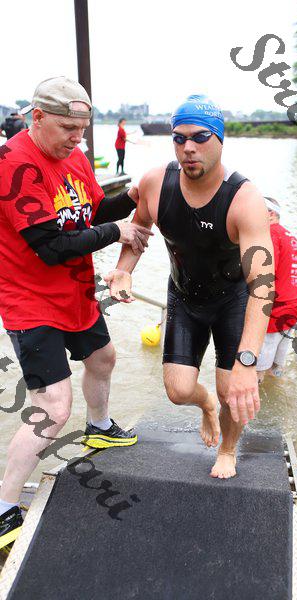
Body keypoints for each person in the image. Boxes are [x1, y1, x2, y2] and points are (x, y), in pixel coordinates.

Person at [0, 76, 153, 549]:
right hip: (30, 299)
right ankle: (4, 507)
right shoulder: (13, 165)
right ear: (37, 117)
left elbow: (91, 212)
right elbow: (50, 246)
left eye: (82, 130)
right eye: (68, 128)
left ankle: (100, 428)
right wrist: (118, 232)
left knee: (104, 359)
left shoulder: (76, 157)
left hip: (75, 292)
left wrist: (137, 194)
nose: (76, 139)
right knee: (53, 408)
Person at [105, 95, 275, 480]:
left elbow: (263, 285)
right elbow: (139, 229)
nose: (188, 148)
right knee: (179, 391)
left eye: (200, 137)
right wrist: (124, 270)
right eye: (179, 138)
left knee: (233, 387)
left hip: (233, 300)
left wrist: (247, 362)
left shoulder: (244, 199)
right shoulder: (155, 183)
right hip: (184, 297)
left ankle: (228, 449)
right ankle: (207, 405)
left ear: (220, 140)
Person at [256, 197, 297, 383]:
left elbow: (266, 275)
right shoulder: (291, 237)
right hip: (294, 307)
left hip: (276, 309)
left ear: (270, 214)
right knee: (275, 368)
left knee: (256, 370)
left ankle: (255, 395)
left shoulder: (270, 235)